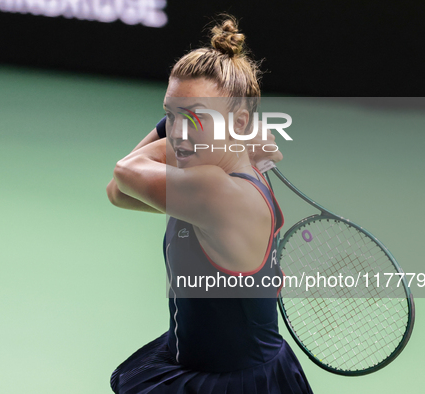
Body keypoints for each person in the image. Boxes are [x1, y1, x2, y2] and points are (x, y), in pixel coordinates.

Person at [106, 15, 313, 394]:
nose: (179, 131)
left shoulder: (214, 192)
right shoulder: (208, 174)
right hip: (196, 364)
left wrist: (180, 125)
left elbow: (125, 170)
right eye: (170, 115)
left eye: (196, 117)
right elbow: (118, 192)